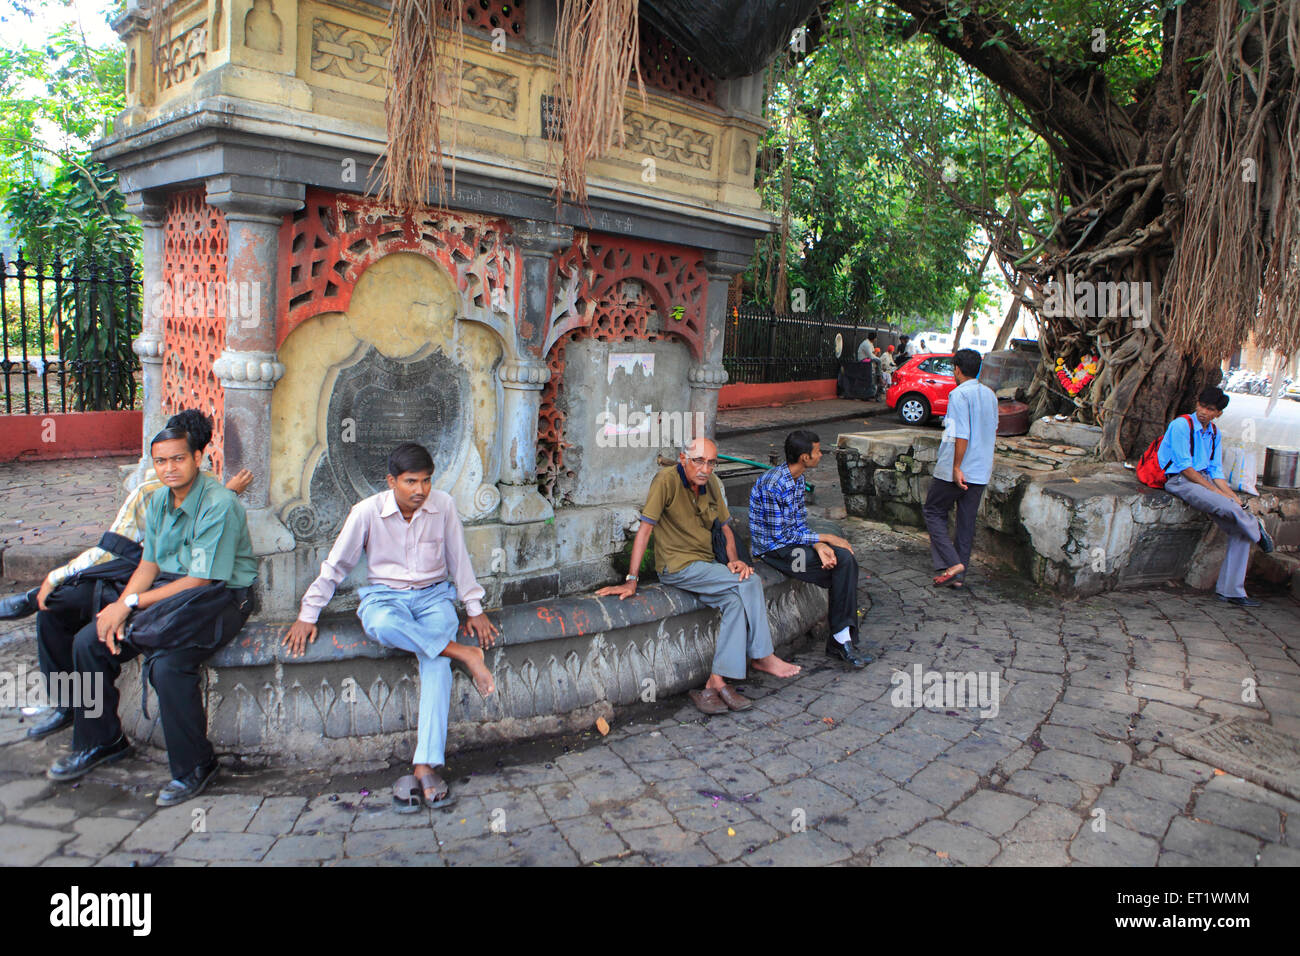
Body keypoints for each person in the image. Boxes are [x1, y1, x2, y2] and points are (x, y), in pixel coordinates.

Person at [45, 411, 258, 806]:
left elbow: (200, 580)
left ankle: (196, 765)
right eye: (161, 461)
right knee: (88, 641)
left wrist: (129, 603)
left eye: (178, 458)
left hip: (221, 595)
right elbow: (149, 564)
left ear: (198, 457)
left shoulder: (220, 503)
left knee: (168, 664)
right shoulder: (158, 499)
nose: (169, 468)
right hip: (169, 589)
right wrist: (120, 609)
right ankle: (101, 739)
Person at [282, 442, 498, 810]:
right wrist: (308, 613)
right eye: (411, 481)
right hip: (387, 599)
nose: (420, 490)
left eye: (426, 481)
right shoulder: (366, 513)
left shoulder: (442, 506)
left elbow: (458, 559)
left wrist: (474, 608)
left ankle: (425, 764)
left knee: (435, 663)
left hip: (434, 598)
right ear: (391, 481)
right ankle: (463, 652)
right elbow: (336, 566)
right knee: (379, 623)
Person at [597, 436, 800, 716]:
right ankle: (764, 656)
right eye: (698, 461)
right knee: (751, 581)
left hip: (707, 566)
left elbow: (727, 530)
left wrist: (734, 562)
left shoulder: (712, 484)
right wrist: (631, 580)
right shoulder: (666, 481)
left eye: (711, 462)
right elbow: (644, 530)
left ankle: (716, 679)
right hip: (677, 567)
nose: (705, 468)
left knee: (734, 601)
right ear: (683, 459)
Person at [749, 430, 870, 669]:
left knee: (843, 560)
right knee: (841, 569)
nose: (820, 455)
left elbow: (799, 524)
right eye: (817, 451)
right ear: (805, 457)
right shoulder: (775, 484)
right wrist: (825, 537)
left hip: (793, 544)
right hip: (775, 553)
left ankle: (841, 638)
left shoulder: (798, 479)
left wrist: (818, 543)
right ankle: (840, 641)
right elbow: (780, 536)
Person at [1159, 386, 1274, 606]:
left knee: (1238, 525)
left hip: (1205, 480)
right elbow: (1185, 468)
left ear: (1218, 413)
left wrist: (1230, 494)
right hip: (1181, 481)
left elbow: (1216, 471)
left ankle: (1232, 592)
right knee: (1230, 509)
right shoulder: (1181, 426)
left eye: (1210, 409)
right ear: (1197, 403)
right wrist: (1217, 493)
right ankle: (1257, 530)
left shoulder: (1214, 433)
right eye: (1202, 405)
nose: (1203, 411)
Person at [922, 348, 998, 589]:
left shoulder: (958, 395)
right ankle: (958, 577)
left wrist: (956, 467)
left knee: (933, 511)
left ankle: (953, 563)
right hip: (981, 468)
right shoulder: (990, 395)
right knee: (966, 521)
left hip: (957, 468)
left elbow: (960, 433)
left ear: (956, 369)